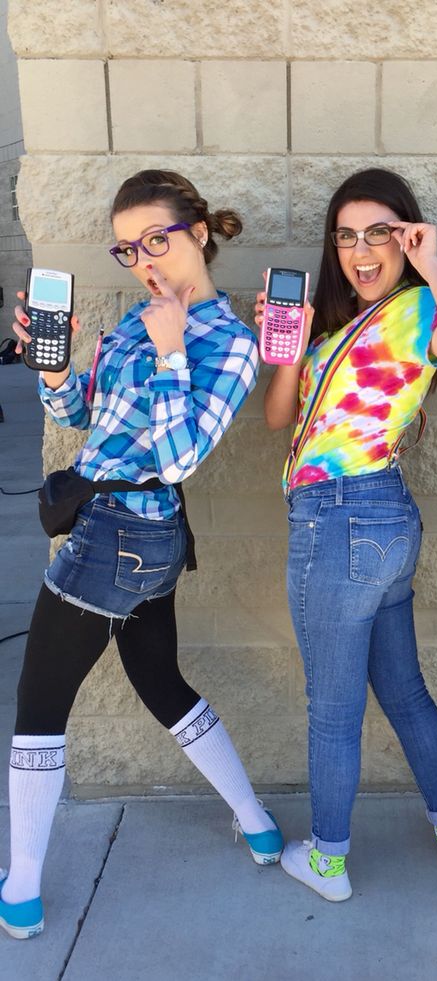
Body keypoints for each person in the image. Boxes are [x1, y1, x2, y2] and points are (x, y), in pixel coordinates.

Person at [0, 170, 283, 941]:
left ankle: (19, 889)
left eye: (157, 238)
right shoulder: (133, 319)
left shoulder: (227, 339)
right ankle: (256, 824)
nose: (145, 259)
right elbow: (79, 410)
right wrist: (53, 367)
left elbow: (181, 453)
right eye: (128, 248)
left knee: (38, 707)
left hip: (120, 536)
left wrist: (169, 354)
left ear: (198, 231)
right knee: (161, 680)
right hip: (136, 537)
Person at [260, 168, 437, 901]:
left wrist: (430, 260)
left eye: (380, 234)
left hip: (341, 521)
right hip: (380, 520)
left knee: (333, 708)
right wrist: (291, 344)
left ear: (406, 235)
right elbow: (277, 421)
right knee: (402, 688)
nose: (361, 251)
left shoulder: (419, 306)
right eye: (346, 237)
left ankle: (328, 860)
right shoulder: (335, 330)